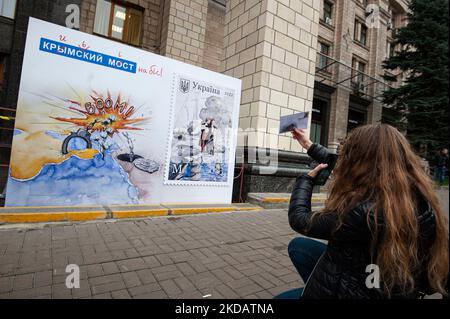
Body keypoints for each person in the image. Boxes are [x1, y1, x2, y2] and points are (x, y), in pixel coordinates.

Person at [275, 124, 448, 299]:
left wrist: (306, 180)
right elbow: (339, 163)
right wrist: (309, 144)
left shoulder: (360, 212)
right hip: (381, 278)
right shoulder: (421, 200)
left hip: (357, 289)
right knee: (299, 247)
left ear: (359, 162)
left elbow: (300, 220)